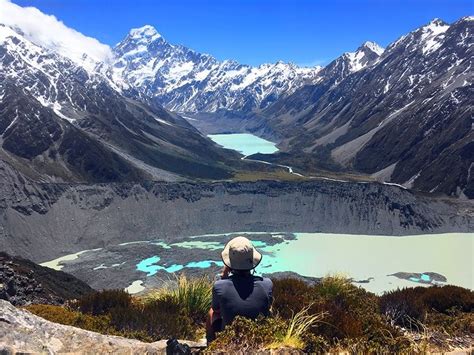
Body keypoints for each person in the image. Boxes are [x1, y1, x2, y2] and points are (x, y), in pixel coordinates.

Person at [206, 236, 273, 343]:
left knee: (211, 312)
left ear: (229, 263)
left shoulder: (219, 286)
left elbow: (217, 309)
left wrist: (224, 275)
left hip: (229, 336)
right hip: (259, 337)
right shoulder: (267, 284)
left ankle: (210, 346)